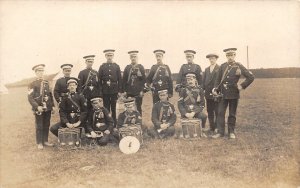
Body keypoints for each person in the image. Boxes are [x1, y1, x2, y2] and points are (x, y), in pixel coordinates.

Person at [212, 48, 254, 139]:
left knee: (232, 114)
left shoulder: (238, 66)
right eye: (228, 55)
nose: (230, 57)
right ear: (226, 56)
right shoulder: (222, 66)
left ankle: (231, 132)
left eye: (232, 55)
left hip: (234, 93)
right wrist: (215, 89)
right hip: (223, 94)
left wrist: (242, 86)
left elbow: (250, 77)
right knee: (220, 113)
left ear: (235, 55)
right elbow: (218, 80)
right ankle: (220, 132)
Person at [28, 64, 55, 149]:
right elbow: (30, 97)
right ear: (35, 72)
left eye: (42, 71)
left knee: (46, 124)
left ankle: (45, 141)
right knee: (39, 125)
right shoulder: (32, 84)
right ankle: (39, 142)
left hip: (47, 107)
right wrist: (37, 107)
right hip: (39, 108)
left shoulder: (46, 82)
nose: (41, 72)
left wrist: (53, 106)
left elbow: (50, 95)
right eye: (39, 71)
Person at [98, 49, 122, 125]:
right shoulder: (102, 66)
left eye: (111, 55)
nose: (109, 57)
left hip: (114, 89)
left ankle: (114, 122)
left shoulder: (116, 66)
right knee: (106, 107)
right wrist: (100, 91)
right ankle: (108, 122)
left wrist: (119, 91)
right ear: (105, 56)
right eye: (108, 55)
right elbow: (99, 80)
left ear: (113, 56)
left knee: (114, 107)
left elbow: (119, 79)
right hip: (105, 90)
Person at [122, 51, 146, 115]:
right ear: (130, 58)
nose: (133, 58)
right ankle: (130, 122)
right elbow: (124, 80)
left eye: (134, 57)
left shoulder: (141, 67)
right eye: (132, 57)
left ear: (137, 58)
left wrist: (142, 90)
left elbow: (144, 80)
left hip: (138, 91)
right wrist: (124, 91)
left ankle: (139, 122)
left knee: (138, 107)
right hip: (129, 91)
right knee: (129, 107)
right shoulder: (127, 67)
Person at [202, 53, 220, 132]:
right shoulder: (206, 69)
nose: (211, 60)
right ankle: (211, 127)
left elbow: (220, 81)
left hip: (216, 93)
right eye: (210, 59)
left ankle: (216, 127)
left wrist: (217, 90)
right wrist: (202, 90)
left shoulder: (220, 68)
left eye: (213, 58)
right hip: (208, 93)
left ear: (216, 59)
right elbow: (203, 81)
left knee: (217, 110)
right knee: (209, 110)